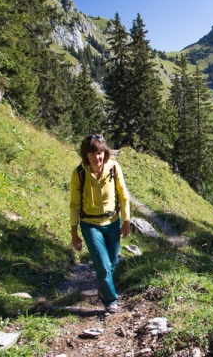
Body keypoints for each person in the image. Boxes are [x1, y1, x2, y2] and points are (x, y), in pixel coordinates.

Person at [70, 134, 131, 314]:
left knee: (112, 263)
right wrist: (74, 233)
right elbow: (74, 205)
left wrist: (126, 220)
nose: (97, 158)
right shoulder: (79, 174)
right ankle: (110, 300)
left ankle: (102, 287)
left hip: (112, 222)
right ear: (86, 156)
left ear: (105, 153)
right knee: (103, 266)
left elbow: (123, 195)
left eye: (100, 153)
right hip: (89, 224)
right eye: (92, 154)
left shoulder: (113, 167)